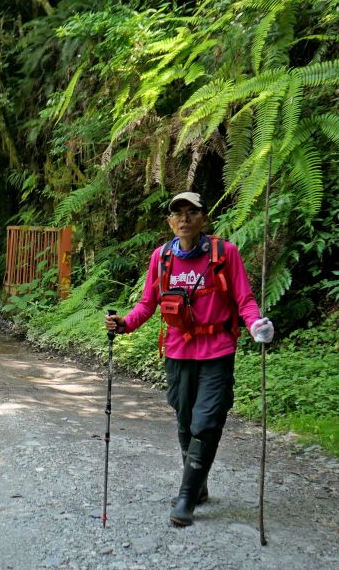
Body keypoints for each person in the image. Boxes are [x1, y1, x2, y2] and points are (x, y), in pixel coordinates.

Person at [105, 191, 274, 527]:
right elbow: (147, 304)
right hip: (178, 351)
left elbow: (245, 299)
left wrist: (256, 324)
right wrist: (124, 324)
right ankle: (198, 487)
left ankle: (186, 498)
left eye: (191, 212)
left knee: (206, 421)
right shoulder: (162, 257)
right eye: (177, 213)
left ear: (203, 218)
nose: (184, 219)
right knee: (184, 421)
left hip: (217, 350)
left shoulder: (226, 254)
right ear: (170, 221)